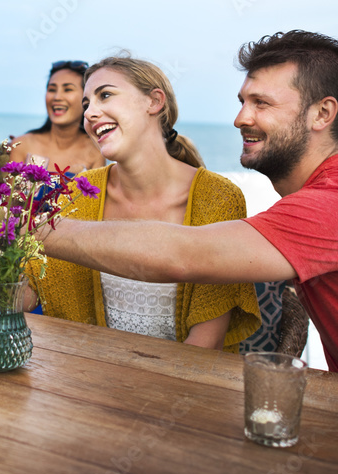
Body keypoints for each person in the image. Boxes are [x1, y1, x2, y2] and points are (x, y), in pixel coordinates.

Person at [39, 30, 338, 373]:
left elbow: (184, 255)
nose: (240, 119)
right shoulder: (320, 200)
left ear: (323, 114)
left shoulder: (337, 205)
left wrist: (27, 228)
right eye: (242, 102)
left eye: (261, 103)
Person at [29, 56, 260, 352]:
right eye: (86, 105)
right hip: (87, 379)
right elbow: (31, 288)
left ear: (154, 102)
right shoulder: (77, 193)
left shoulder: (218, 198)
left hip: (181, 389)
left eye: (105, 95)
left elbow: (207, 342)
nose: (90, 113)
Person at [9, 60, 106, 172]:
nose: (57, 97)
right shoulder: (21, 145)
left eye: (68, 89)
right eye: (52, 89)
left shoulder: (96, 151)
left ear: (86, 98)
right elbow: (9, 189)